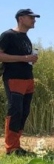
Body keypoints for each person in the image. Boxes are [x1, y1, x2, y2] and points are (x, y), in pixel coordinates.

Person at [0, 8, 40, 155]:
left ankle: (17, 146)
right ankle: (11, 148)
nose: (34, 20)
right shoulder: (8, 35)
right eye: (31, 17)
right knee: (15, 111)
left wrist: (30, 60)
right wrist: (24, 58)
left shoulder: (26, 37)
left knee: (24, 112)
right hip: (13, 78)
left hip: (27, 78)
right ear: (21, 18)